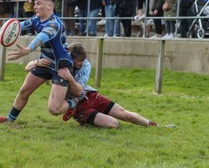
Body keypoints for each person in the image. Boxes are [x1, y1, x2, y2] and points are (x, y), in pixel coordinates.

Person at [0, 0, 81, 123]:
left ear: (50, 6)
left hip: (61, 66)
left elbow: (41, 37)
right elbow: (17, 26)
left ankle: (75, 101)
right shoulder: (36, 19)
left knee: (54, 109)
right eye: (35, 4)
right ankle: (8, 121)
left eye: (38, 4)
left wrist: (28, 49)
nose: (35, 7)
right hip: (45, 62)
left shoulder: (55, 25)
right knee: (24, 91)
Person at [26, 43, 159, 128]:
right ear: (70, 58)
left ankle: (152, 125)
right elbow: (28, 68)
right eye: (78, 62)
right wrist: (38, 62)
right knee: (114, 124)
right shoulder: (60, 61)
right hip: (79, 107)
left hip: (90, 95)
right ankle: (86, 117)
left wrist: (70, 78)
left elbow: (79, 91)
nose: (80, 64)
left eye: (82, 61)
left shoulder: (86, 65)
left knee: (126, 115)